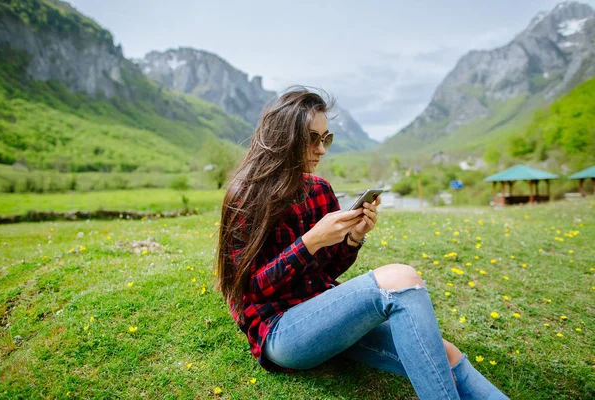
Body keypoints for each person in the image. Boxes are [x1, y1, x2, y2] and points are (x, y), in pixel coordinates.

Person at [215, 86, 509, 400]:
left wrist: (353, 238)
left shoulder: (319, 190)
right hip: (281, 332)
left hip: (325, 315)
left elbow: (328, 270)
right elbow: (249, 291)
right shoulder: (246, 197)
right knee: (400, 279)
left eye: (326, 138)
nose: (322, 149)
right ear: (284, 137)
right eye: (312, 138)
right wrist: (310, 242)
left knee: (446, 353)